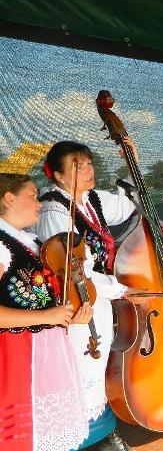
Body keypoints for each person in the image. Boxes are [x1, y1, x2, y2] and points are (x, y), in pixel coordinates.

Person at [33, 140, 139, 451]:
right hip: (73, 302)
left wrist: (132, 162)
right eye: (78, 167)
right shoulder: (54, 210)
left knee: (98, 360)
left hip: (98, 298)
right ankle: (79, 435)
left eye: (89, 163)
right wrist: (120, 289)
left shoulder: (92, 199)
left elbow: (127, 204)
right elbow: (74, 271)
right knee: (81, 364)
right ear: (58, 175)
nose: (88, 170)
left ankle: (100, 430)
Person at [0, 173, 90, 451]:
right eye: (32, 195)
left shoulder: (32, 242)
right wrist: (47, 317)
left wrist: (68, 316)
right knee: (20, 436)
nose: (39, 203)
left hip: (47, 350)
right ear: (10, 199)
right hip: (16, 352)